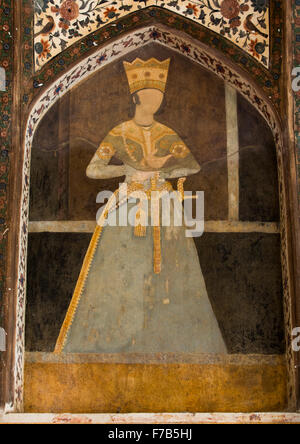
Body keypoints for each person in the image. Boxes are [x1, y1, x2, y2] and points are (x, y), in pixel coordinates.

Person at [54, 58, 227, 354]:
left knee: (171, 275)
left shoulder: (167, 133)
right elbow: (93, 169)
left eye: (159, 94)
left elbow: (192, 166)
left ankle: (165, 342)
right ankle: (119, 341)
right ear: (135, 96)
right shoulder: (120, 133)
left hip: (163, 204)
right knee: (123, 273)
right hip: (129, 205)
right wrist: (129, 168)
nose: (155, 100)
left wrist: (160, 171)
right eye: (150, 94)